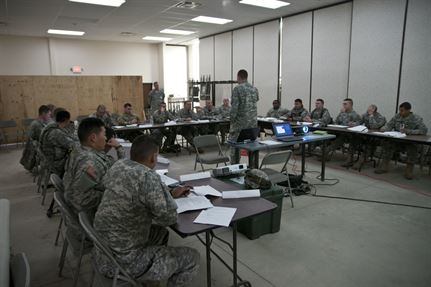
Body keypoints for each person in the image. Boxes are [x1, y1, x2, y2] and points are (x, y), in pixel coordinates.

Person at [93, 135, 199, 286]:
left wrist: (168, 193)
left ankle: (151, 280)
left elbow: (132, 192)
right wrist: (166, 197)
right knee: (192, 258)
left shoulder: (119, 165)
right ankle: (148, 272)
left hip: (103, 252)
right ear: (153, 157)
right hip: (122, 262)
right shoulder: (148, 177)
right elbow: (168, 219)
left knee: (161, 233)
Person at [63, 118, 125, 216]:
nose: (105, 138)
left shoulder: (80, 150)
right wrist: (111, 195)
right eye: (104, 134)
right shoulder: (89, 161)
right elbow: (80, 200)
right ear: (93, 138)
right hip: (91, 215)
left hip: (83, 208)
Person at [375, 102, 428, 179]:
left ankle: (408, 171)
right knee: (387, 143)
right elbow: (389, 125)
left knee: (413, 148)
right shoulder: (397, 116)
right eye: (400, 110)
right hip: (397, 140)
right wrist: (383, 129)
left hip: (409, 141)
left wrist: (409, 131)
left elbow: (424, 130)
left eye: (402, 111)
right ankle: (384, 167)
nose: (400, 112)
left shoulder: (416, 118)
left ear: (408, 110)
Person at [229, 69, 259, 164]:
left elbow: (235, 108)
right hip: (252, 124)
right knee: (252, 146)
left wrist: (231, 121)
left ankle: (234, 168)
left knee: (235, 147)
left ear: (238, 77)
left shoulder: (237, 89)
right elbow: (256, 100)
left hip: (240, 125)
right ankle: (253, 168)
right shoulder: (254, 89)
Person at [39, 110, 79, 177]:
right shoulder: (56, 133)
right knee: (80, 159)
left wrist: (79, 138)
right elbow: (72, 145)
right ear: (67, 120)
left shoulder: (53, 126)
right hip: (55, 164)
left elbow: (68, 136)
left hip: (48, 159)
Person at [326, 98, 362, 167]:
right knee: (331, 137)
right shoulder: (342, 113)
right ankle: (326, 152)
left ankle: (349, 160)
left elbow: (359, 124)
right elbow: (336, 122)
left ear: (351, 105)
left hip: (352, 136)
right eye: (343, 104)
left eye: (345, 104)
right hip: (341, 133)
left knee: (352, 141)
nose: (344, 105)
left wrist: (353, 124)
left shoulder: (355, 115)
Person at [351, 105, 386, 170]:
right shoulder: (365, 115)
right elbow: (359, 122)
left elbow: (374, 127)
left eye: (370, 110)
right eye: (368, 110)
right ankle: (349, 160)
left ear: (374, 111)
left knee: (369, 145)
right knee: (353, 139)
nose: (368, 111)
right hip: (366, 136)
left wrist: (371, 117)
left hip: (376, 138)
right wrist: (353, 124)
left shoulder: (380, 118)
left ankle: (360, 162)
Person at [20, 105, 51, 171]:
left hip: (34, 147)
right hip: (36, 149)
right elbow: (45, 138)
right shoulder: (37, 124)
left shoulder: (37, 122)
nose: (49, 117)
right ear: (43, 114)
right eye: (48, 114)